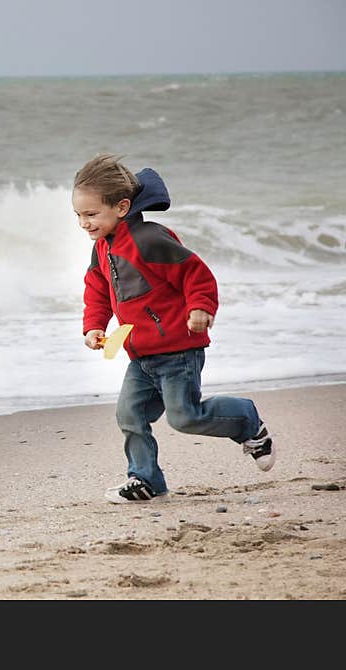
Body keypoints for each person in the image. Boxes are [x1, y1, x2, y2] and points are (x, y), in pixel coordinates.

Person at [73, 154, 274, 503]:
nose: (84, 223)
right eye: (78, 215)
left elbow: (197, 274)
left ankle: (247, 421)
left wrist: (200, 307)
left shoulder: (149, 239)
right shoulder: (102, 249)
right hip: (141, 355)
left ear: (121, 207)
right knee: (129, 415)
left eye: (91, 215)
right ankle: (146, 480)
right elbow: (97, 291)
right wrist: (94, 327)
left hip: (178, 350)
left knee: (185, 418)